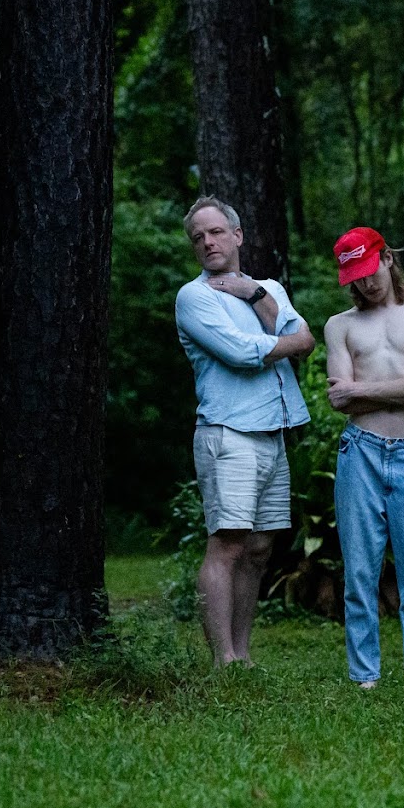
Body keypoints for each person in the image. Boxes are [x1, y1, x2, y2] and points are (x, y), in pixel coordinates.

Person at [174, 195, 315, 667]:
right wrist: (283, 336)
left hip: (272, 432)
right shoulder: (194, 297)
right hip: (227, 432)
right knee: (229, 542)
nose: (207, 242)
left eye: (215, 232)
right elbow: (240, 352)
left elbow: (307, 344)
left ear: (237, 235)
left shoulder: (268, 286)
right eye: (198, 237)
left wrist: (256, 296)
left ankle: (243, 655)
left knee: (259, 548)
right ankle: (223, 660)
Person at [324, 227, 404, 696]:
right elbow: (340, 401)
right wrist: (359, 395)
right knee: (360, 572)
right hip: (361, 453)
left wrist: (359, 390)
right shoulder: (341, 325)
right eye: (354, 276)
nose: (365, 283)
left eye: (369, 270)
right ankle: (365, 677)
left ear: (387, 258)